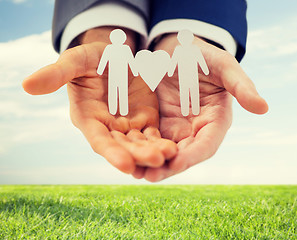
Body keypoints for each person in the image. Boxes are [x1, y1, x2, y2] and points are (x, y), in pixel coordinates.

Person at [22, 0, 269, 182]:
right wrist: (101, 32)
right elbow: (116, 62)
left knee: (188, 96)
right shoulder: (112, 51)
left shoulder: (189, 51)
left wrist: (190, 40)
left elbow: (193, 65)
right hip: (116, 79)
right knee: (118, 96)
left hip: (183, 76)